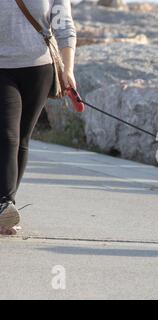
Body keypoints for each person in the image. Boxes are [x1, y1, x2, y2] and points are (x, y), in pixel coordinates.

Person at [0, 0, 77, 235]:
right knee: (7, 134)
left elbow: (64, 26)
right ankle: (3, 204)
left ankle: (6, 207)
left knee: (22, 137)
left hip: (39, 68)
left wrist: (68, 70)